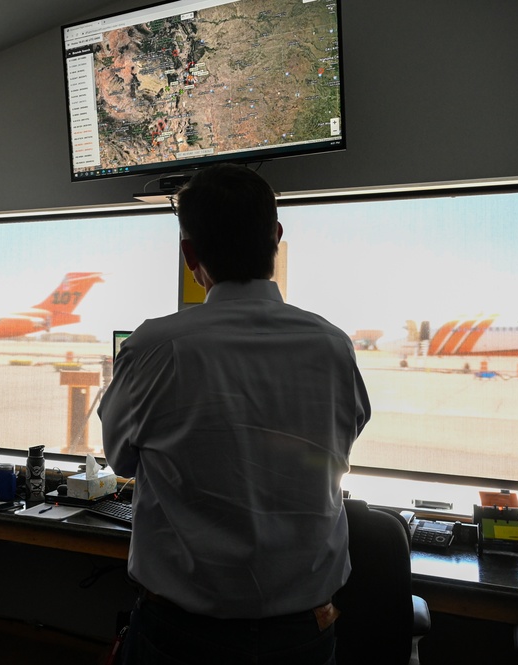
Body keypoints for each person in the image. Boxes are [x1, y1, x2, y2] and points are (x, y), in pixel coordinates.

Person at [99, 163, 371, 664]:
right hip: (305, 636)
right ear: (277, 237)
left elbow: (120, 459)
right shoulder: (333, 346)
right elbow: (343, 441)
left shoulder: (155, 347)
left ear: (189, 253)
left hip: (181, 637)